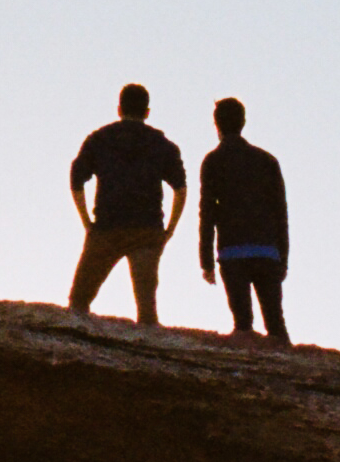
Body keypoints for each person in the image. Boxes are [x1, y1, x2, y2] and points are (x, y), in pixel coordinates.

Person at [68, 83, 187, 324]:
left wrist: (87, 223)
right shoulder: (162, 144)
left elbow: (76, 178)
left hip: (107, 228)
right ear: (147, 112)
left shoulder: (99, 139)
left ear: (119, 108)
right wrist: (169, 230)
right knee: (146, 310)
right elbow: (181, 188)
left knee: (78, 302)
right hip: (147, 229)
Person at [196, 96, 290, 345]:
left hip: (232, 252)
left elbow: (207, 213)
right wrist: (283, 257)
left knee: (243, 326)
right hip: (267, 251)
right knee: (276, 324)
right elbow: (281, 212)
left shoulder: (213, 161)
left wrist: (206, 260)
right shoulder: (267, 160)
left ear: (216, 124)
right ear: (243, 122)